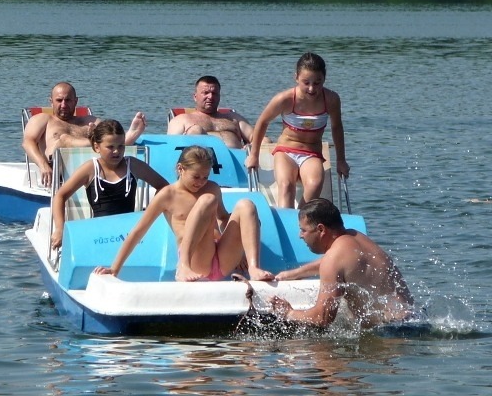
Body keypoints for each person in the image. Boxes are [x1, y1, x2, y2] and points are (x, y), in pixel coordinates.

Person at [94, 145, 274, 282]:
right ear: (180, 169)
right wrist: (115, 268)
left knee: (246, 205)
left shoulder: (212, 187)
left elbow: (224, 218)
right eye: (196, 177)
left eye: (205, 177)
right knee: (207, 200)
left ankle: (254, 268)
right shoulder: (167, 195)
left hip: (221, 256)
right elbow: (138, 232)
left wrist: (240, 251)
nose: (201, 182)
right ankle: (183, 265)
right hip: (197, 261)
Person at [269, 198, 414, 329]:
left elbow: (322, 318)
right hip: (409, 322)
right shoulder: (355, 237)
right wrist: (295, 273)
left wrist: (288, 312)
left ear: (321, 229)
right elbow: (338, 263)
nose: (300, 235)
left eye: (303, 230)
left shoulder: (333, 259)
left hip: (389, 334)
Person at [244, 52, 350, 207]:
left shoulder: (332, 99)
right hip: (286, 151)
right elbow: (262, 122)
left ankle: (301, 217)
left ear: (324, 79)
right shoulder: (285, 99)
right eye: (306, 83)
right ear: (296, 78)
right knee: (286, 185)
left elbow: (337, 127)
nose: (312, 88)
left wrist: (341, 160)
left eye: (317, 83)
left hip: (312, 153)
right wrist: (254, 155)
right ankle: (285, 216)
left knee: (315, 184)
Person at [50, 119, 169, 248]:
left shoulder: (133, 165)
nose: (116, 151)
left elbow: (164, 187)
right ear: (97, 147)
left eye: (121, 146)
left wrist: (151, 214)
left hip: (128, 234)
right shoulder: (90, 169)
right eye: (110, 147)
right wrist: (60, 228)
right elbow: (60, 196)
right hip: (100, 236)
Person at [22, 82, 146, 186]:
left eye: (68, 100)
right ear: (51, 102)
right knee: (64, 139)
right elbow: (28, 143)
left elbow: (111, 135)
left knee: (109, 138)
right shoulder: (43, 119)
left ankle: (125, 137)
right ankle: (99, 142)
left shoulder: (89, 120)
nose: (64, 105)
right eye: (59, 100)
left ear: (75, 101)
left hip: (89, 168)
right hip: (56, 168)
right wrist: (43, 165)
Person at [166, 75, 255, 149]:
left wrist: (252, 147)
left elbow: (256, 138)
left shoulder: (234, 118)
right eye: (205, 93)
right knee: (196, 130)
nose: (210, 97)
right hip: (200, 162)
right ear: (195, 97)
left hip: (238, 161)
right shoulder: (181, 120)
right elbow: (171, 147)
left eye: (214, 93)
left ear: (219, 96)